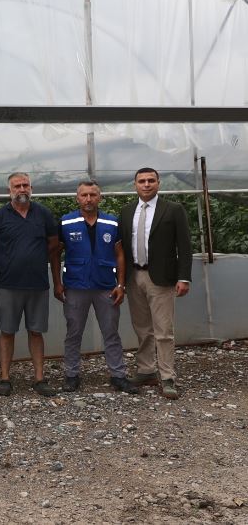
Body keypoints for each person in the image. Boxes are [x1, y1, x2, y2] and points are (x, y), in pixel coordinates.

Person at [51, 181, 139, 394]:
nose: (88, 199)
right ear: (77, 198)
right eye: (84, 195)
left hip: (106, 286)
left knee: (111, 333)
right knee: (73, 333)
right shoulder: (65, 222)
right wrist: (57, 283)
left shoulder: (112, 222)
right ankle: (71, 375)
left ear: (100, 198)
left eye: (92, 195)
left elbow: (120, 255)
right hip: (75, 286)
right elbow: (54, 254)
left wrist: (121, 284)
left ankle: (118, 376)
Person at [0, 172, 59, 397]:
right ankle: (5, 378)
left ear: (31, 188)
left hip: (38, 284)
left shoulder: (43, 214)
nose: (22, 189)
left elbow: (53, 244)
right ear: (9, 191)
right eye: (17, 186)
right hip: (8, 284)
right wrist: (8, 262)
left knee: (36, 331)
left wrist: (34, 258)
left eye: (25, 185)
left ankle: (39, 379)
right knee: (7, 331)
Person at [120, 167, 192, 400]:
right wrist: (120, 280)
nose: (146, 184)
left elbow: (185, 245)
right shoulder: (127, 211)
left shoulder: (173, 210)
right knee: (142, 328)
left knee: (164, 331)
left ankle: (168, 377)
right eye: (142, 181)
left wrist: (184, 277)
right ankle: (146, 371)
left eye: (151, 180)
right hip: (134, 276)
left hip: (161, 278)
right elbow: (122, 248)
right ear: (135, 185)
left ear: (158, 183)